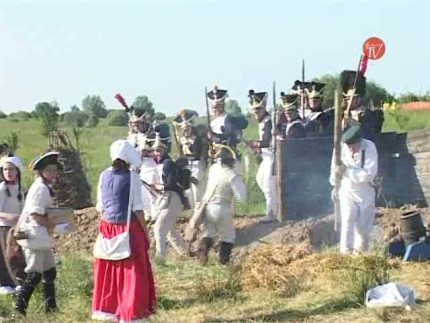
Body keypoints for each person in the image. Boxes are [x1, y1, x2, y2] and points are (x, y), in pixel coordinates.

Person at [92, 140, 156, 322]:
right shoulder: (133, 177)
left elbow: (100, 207)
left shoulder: (103, 175)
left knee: (109, 270)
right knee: (133, 272)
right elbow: (137, 209)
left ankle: (109, 309)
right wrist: (146, 233)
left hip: (107, 227)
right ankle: (130, 312)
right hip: (129, 228)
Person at [14, 152, 62, 315]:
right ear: (42, 171)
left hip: (40, 236)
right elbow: (35, 214)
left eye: (55, 169)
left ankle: (51, 308)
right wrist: (54, 225)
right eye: (50, 169)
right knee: (34, 274)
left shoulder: (43, 186)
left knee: (50, 272)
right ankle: (19, 307)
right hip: (34, 235)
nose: (54, 173)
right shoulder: (41, 188)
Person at [330, 125, 378, 254]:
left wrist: (347, 171)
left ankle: (359, 254)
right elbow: (334, 168)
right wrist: (335, 185)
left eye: (354, 146)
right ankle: (344, 253)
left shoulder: (369, 147)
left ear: (359, 141)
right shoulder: (340, 149)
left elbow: (368, 174)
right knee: (347, 219)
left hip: (365, 191)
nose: (351, 149)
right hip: (346, 189)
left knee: (363, 229)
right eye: (349, 146)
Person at [197, 145, 246, 265]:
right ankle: (223, 261)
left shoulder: (213, 169)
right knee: (228, 236)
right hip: (223, 208)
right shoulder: (231, 175)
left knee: (208, 233)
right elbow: (241, 198)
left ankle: (203, 254)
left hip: (208, 206)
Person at [151, 135, 188, 265]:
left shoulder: (168, 163)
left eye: (159, 150)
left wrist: (157, 186)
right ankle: (185, 255)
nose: (157, 153)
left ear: (165, 150)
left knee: (159, 228)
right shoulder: (163, 164)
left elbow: (171, 184)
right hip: (169, 198)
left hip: (172, 199)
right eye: (155, 151)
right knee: (170, 231)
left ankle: (161, 259)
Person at [247, 90, 278, 223]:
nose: (256, 112)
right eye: (254, 109)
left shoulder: (267, 121)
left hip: (272, 157)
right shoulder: (262, 121)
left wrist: (253, 143)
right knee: (260, 179)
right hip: (266, 156)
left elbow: (266, 141)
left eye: (258, 109)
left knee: (268, 184)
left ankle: (271, 211)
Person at [173, 109, 207, 212]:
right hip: (187, 166)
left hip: (197, 164)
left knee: (198, 191)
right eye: (183, 129)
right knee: (188, 192)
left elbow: (197, 154)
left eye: (187, 129)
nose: (185, 131)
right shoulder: (182, 139)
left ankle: (200, 212)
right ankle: (191, 211)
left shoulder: (197, 139)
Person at [0, 155, 25, 293]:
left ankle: (18, 281)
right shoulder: (2, 189)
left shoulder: (20, 188)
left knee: (17, 256)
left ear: (17, 171)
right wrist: (9, 216)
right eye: (5, 170)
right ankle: (5, 284)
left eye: (11, 169)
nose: (8, 172)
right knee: (5, 257)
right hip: (3, 227)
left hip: (16, 227)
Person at [127, 111, 158, 222]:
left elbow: (158, 151)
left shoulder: (152, 135)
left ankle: (156, 214)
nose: (136, 127)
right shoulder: (133, 136)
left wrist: (146, 152)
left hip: (150, 165)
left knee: (151, 190)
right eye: (134, 125)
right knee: (141, 192)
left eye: (138, 124)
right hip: (138, 166)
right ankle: (147, 214)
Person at [340, 70, 384, 141]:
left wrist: (353, 122)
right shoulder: (338, 114)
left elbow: (371, 132)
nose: (348, 101)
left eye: (351, 98)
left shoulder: (372, 115)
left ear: (359, 99)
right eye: (347, 98)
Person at [206, 86, 248, 159]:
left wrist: (214, 137)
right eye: (213, 107)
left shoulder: (228, 119)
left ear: (222, 105)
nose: (215, 109)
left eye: (217, 106)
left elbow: (229, 138)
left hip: (229, 156)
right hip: (216, 156)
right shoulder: (212, 122)